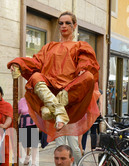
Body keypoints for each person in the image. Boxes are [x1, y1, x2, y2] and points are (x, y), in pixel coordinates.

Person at [8, 11, 100, 141]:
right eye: (61, 23)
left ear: (74, 25)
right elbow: (35, 62)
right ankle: (59, 111)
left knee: (89, 76)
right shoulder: (49, 47)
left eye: (67, 23)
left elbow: (86, 61)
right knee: (35, 77)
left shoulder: (80, 45)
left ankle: (52, 108)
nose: (64, 26)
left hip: (71, 89)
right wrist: (18, 63)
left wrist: (82, 69)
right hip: (51, 87)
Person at [18, 97, 39, 166]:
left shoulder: (36, 100)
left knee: (34, 144)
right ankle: (27, 155)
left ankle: (33, 162)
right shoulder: (22, 100)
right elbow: (18, 112)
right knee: (24, 143)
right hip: (23, 124)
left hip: (33, 124)